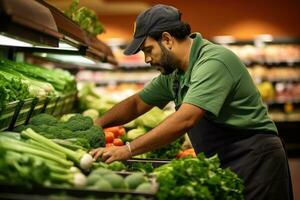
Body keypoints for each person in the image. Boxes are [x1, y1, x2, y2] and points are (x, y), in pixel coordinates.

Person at [90, 4, 293, 200]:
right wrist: (96, 125)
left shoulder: (213, 62)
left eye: (148, 50)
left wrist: (128, 150)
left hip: (256, 160)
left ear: (167, 39)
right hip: (224, 158)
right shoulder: (176, 73)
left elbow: (186, 119)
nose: (147, 59)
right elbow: (136, 103)